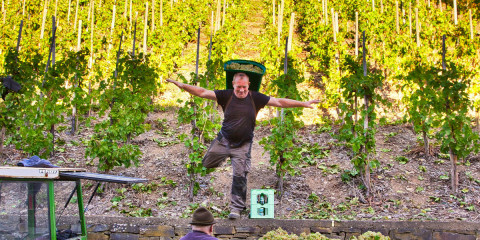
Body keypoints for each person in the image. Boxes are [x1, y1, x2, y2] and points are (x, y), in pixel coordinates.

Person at [167, 60, 320, 219]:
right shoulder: (226, 95)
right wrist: (182, 85)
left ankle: (236, 209)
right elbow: (202, 92)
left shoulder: (256, 98)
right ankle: (225, 157)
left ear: (249, 85)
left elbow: (280, 102)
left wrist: (303, 103)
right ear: (233, 84)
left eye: (244, 87)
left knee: (240, 176)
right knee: (206, 163)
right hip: (223, 140)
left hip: (243, 146)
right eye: (238, 87)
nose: (241, 90)